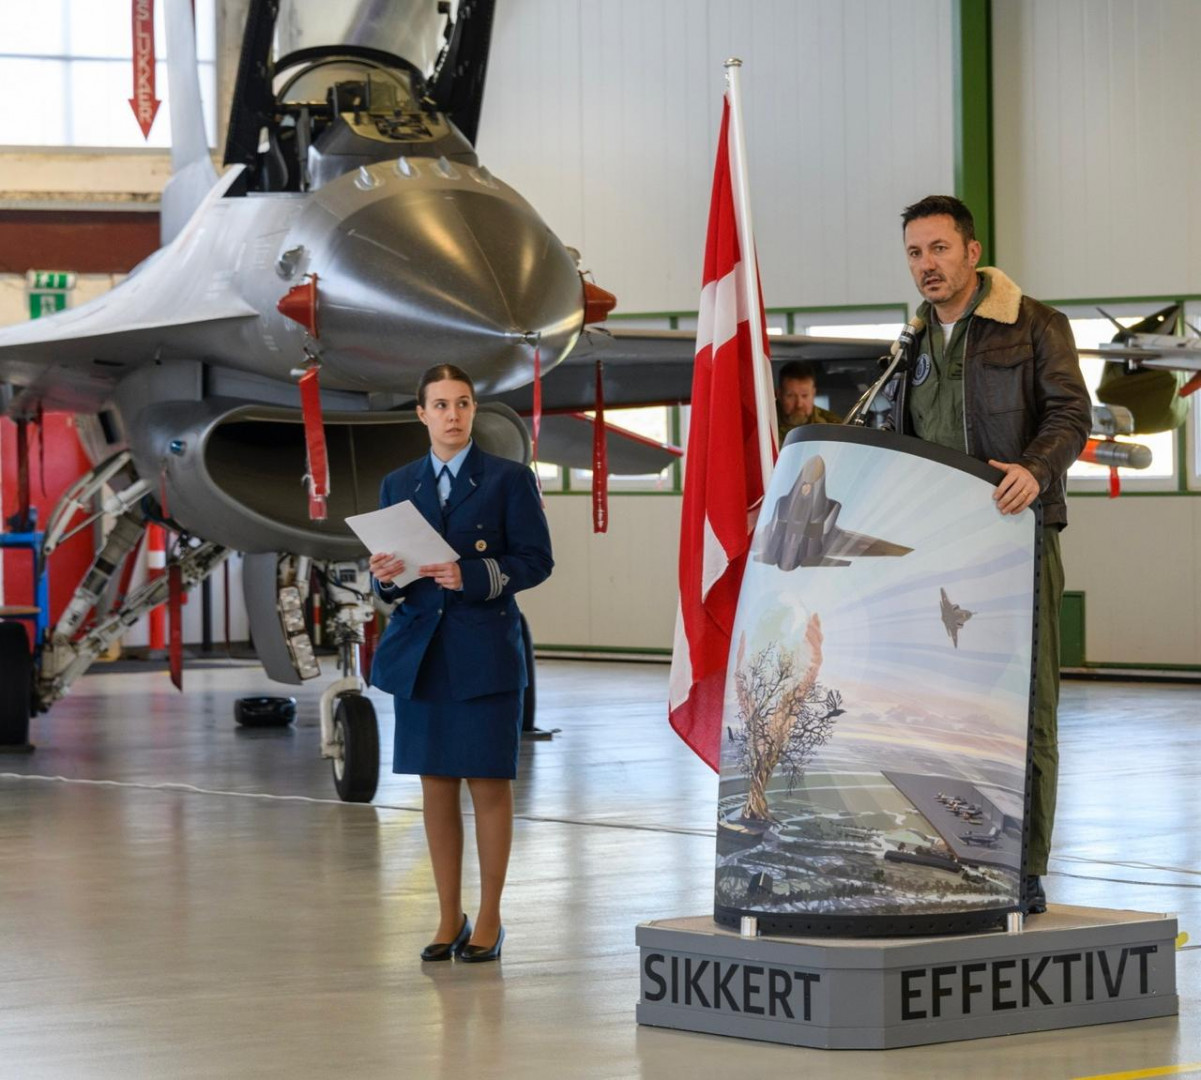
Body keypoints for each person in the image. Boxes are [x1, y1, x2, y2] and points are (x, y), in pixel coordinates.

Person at [894, 195, 1091, 915]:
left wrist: (1035, 470)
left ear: (971, 252)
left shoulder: (1035, 325)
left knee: (1024, 708)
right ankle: (957, 847)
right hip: (936, 552)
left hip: (1015, 541)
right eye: (915, 253)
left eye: (938, 249)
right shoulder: (911, 343)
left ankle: (1021, 864)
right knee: (939, 708)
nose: (926, 265)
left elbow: (1072, 413)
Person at [368, 363, 553, 962]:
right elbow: (393, 579)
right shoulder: (398, 484)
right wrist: (387, 577)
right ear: (421, 414)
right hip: (421, 656)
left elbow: (536, 561)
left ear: (474, 412)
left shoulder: (508, 479)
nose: (452, 415)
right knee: (436, 787)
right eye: (441, 405)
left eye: (463, 404)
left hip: (483, 652)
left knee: (489, 786)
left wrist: (472, 575)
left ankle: (490, 920)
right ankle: (448, 917)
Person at [776, 360, 841, 438]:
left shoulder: (832, 426)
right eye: (791, 396)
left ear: (813, 393)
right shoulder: (763, 425)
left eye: (804, 395)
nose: (799, 404)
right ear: (779, 394)